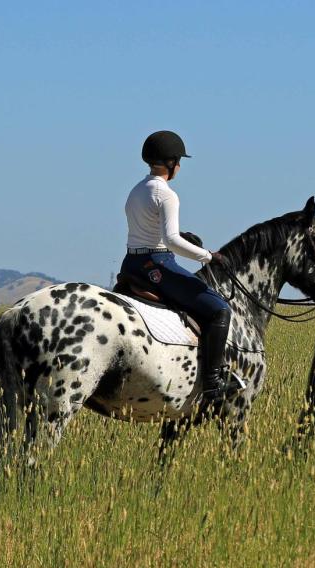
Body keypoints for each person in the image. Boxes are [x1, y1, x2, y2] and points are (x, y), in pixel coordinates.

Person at [121, 130, 235, 401]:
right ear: (172, 163)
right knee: (219, 310)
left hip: (132, 263)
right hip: (157, 264)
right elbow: (170, 241)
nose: (180, 166)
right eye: (179, 161)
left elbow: (150, 229)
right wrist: (209, 256)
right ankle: (212, 384)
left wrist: (183, 237)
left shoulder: (136, 190)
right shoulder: (167, 194)